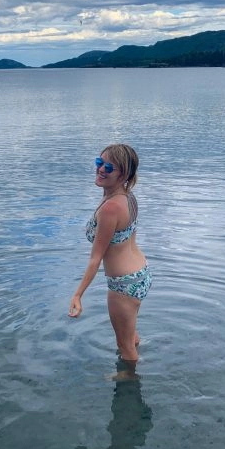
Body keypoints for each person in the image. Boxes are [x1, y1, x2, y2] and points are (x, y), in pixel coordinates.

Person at [68, 143, 151, 363]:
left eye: (108, 167)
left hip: (123, 284)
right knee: (130, 335)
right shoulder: (127, 196)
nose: (100, 169)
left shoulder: (111, 208)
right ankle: (133, 349)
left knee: (124, 347)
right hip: (140, 274)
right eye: (99, 162)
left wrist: (78, 295)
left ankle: (128, 382)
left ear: (123, 174)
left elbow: (96, 258)